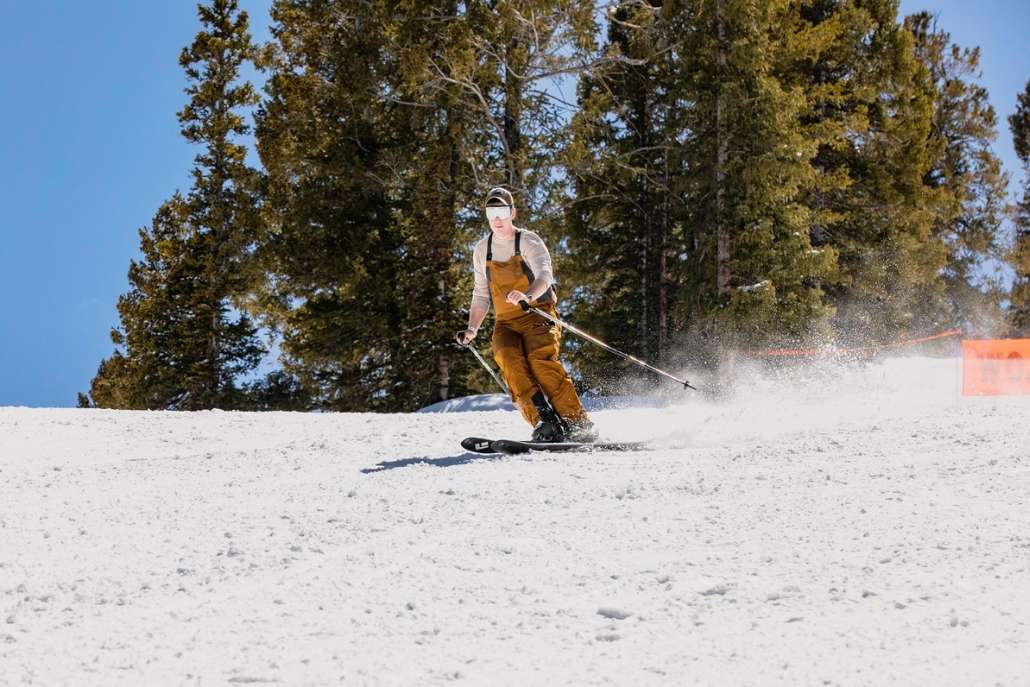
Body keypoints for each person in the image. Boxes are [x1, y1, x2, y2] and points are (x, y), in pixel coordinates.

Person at [456, 187, 596, 442]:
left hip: (538, 314)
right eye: (491, 212)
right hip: (506, 322)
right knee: (507, 359)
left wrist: (527, 296)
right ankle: (545, 421)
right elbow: (481, 294)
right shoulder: (481, 250)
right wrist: (472, 329)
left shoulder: (528, 241)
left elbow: (545, 275)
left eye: (501, 211)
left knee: (540, 360)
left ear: (512, 213)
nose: (497, 218)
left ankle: (577, 422)